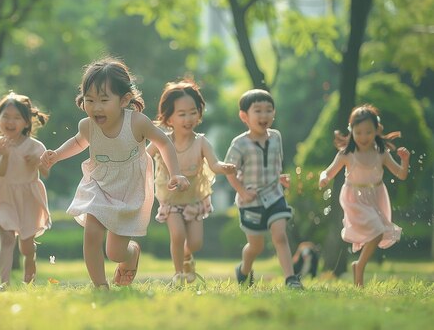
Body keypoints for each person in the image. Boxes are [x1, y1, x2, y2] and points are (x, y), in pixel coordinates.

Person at [40, 57, 190, 289]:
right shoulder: (87, 126)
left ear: (124, 100)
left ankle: (130, 254)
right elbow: (79, 143)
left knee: (115, 252)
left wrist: (175, 173)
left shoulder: (137, 123)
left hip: (130, 187)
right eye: (89, 100)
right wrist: (57, 155)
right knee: (91, 232)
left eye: (103, 100)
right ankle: (101, 286)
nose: (96, 107)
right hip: (99, 183)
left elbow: (163, 143)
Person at [147, 79, 236, 285]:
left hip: (194, 199)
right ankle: (178, 274)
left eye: (193, 112)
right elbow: (144, 157)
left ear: (199, 112)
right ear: (169, 118)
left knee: (195, 243)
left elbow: (214, 165)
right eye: (182, 114)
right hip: (170, 201)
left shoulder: (201, 142)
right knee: (177, 235)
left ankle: (187, 257)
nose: (188, 118)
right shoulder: (162, 140)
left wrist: (225, 167)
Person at [319, 104, 409, 287]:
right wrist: (323, 179)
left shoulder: (381, 153)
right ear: (351, 131)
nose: (363, 137)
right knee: (377, 231)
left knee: (377, 232)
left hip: (376, 196)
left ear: (377, 130)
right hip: (354, 198)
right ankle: (359, 266)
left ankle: (359, 270)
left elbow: (401, 174)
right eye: (358, 132)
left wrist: (405, 161)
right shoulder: (347, 154)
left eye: (368, 132)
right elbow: (328, 172)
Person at [224, 89, 303, 289]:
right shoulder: (239, 144)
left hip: (275, 195)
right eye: (257, 110)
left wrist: (279, 178)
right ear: (244, 116)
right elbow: (229, 171)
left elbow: (274, 163)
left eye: (269, 110)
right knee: (255, 246)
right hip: (251, 201)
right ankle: (244, 269)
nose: (264, 115)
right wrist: (242, 191)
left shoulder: (276, 137)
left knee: (280, 236)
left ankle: (290, 279)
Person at [0, 92, 51, 291]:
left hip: (29, 197)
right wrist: (3, 156)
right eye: (6, 117)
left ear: (27, 122)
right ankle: (4, 282)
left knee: (26, 247)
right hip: (5, 196)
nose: (10, 122)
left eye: (17, 118)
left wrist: (37, 162)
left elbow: (45, 172)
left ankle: (29, 278)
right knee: (7, 238)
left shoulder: (36, 146)